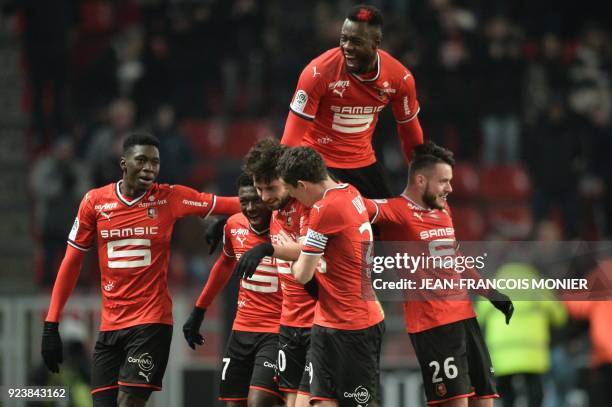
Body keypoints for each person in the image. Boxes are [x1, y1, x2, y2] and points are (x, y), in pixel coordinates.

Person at [41, 133, 241, 407]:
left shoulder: (169, 197)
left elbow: (231, 204)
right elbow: (71, 262)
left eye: (155, 163)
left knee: (128, 403)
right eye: (142, 160)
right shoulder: (94, 202)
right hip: (110, 327)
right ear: (124, 163)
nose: (149, 168)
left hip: (151, 323)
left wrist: (273, 200)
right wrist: (51, 326)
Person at [370, 141, 514, 406]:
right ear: (421, 180)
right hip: (433, 325)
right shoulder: (395, 212)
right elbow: (353, 208)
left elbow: (455, 257)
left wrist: (490, 292)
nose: (450, 188)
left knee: (485, 401)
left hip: (465, 318)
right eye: (444, 181)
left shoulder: (443, 210)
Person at [275, 146, 385, 406]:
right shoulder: (350, 192)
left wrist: (286, 256)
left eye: (291, 192)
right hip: (328, 322)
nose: (294, 200)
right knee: (319, 402)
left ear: (301, 185)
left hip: (354, 326)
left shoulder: (325, 209)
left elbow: (302, 274)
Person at [281, 4, 423, 199]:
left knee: (388, 226)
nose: (347, 47)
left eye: (355, 41)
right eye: (343, 39)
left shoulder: (400, 78)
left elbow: (410, 133)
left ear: (376, 42)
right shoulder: (318, 73)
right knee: (337, 215)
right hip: (318, 164)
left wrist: (420, 176)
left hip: (363, 164)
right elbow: (289, 141)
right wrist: (285, 182)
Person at [182, 173, 285, 406]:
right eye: (243, 202)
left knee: (259, 401)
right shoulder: (234, 225)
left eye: (255, 200)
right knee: (233, 403)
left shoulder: (286, 225)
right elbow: (224, 264)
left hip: (276, 331)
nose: (250, 208)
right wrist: (199, 310)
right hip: (241, 331)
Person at [240, 138, 318, 407]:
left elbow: (310, 248)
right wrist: (222, 222)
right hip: (289, 323)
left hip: (318, 321)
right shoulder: (274, 208)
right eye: (258, 189)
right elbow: (240, 203)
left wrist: (268, 250)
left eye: (270, 188)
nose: (263, 197)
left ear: (287, 179)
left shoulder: (307, 205)